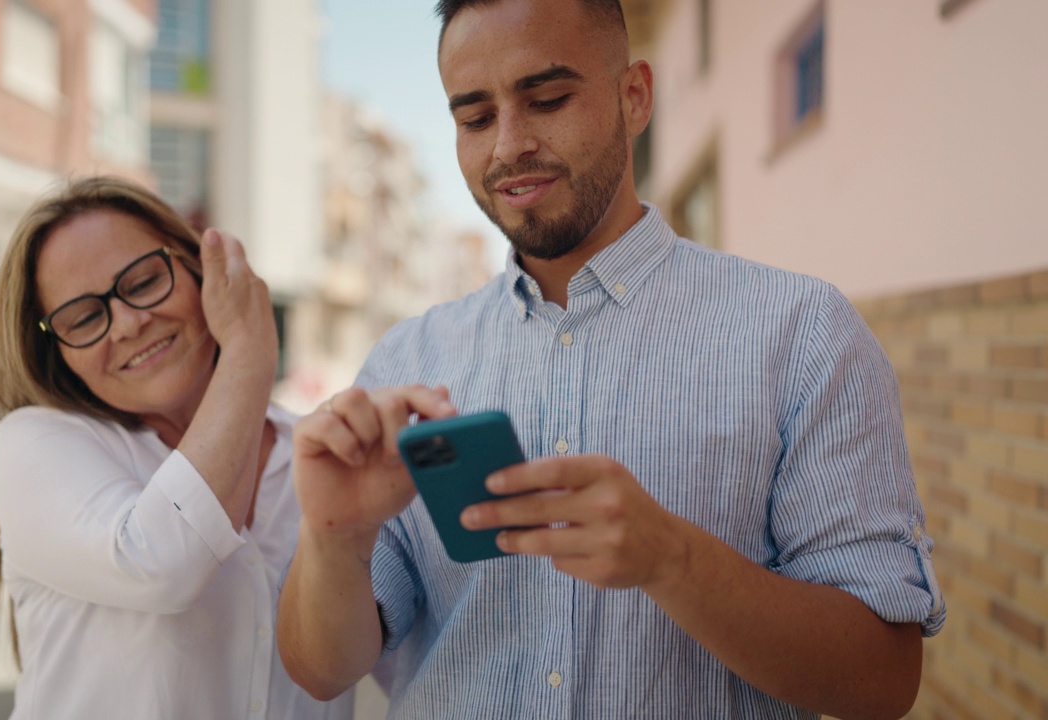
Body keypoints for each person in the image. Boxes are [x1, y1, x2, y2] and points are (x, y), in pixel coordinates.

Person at [276, 1, 945, 718]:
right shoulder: (405, 362)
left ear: (635, 97)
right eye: (473, 118)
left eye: (549, 99)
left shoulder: (803, 335)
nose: (507, 146)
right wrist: (335, 540)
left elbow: (882, 680)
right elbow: (321, 672)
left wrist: (672, 559)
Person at [0, 176, 353, 720]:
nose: (127, 323)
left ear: (196, 265)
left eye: (145, 281)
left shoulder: (320, 456)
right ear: (54, 350)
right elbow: (161, 563)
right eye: (83, 318)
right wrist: (248, 352)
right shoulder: (38, 443)